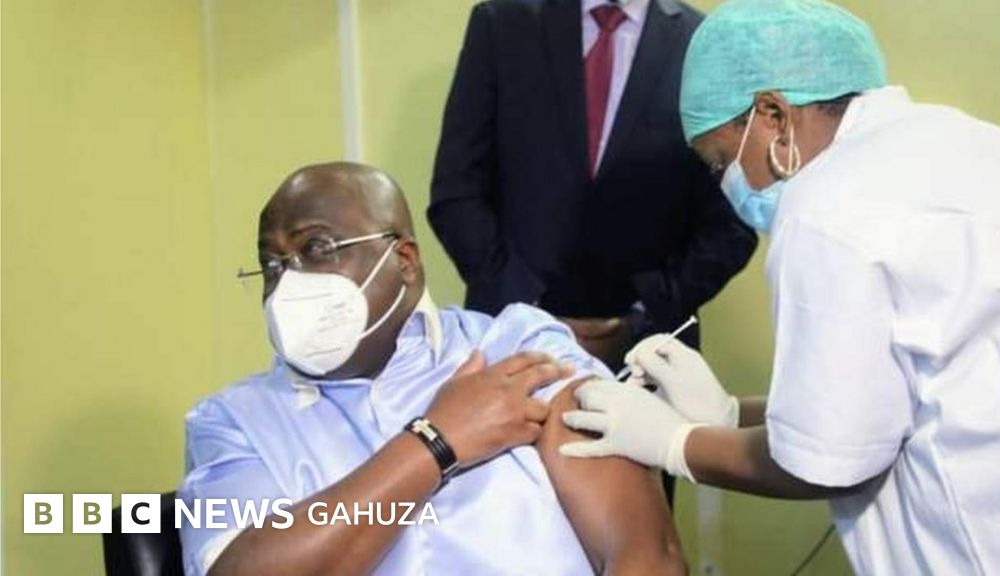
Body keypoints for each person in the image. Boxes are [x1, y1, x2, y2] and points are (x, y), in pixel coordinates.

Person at [557, 0, 1000, 574]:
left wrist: (674, 442)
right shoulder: (969, 144)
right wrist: (733, 413)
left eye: (718, 162)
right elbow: (887, 393)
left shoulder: (826, 206)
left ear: (773, 115)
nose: (725, 184)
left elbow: (825, 461)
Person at [178, 162, 685, 576]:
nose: (288, 283)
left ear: (404, 260)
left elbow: (644, 554)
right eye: (271, 265)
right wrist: (435, 442)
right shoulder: (234, 421)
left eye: (316, 249)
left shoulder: (515, 346)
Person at [429, 0, 757, 371]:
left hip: (652, 355)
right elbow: (457, 190)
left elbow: (732, 219)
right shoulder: (502, 24)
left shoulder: (705, 44)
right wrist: (524, 309)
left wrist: (642, 314)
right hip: (511, 346)